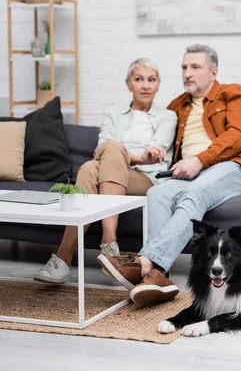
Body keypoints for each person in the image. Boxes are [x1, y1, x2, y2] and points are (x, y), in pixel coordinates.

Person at [98, 44, 241, 307]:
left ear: (213, 72)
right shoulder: (178, 105)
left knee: (194, 192)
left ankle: (147, 264)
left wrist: (199, 160)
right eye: (184, 67)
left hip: (228, 168)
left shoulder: (234, 94)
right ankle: (158, 279)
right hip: (189, 173)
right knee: (157, 193)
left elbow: (240, 135)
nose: (187, 73)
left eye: (195, 67)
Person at [33, 58, 177, 284]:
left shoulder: (168, 116)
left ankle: (65, 258)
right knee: (92, 167)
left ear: (158, 84)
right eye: (138, 79)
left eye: (151, 80)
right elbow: (102, 148)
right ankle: (108, 245)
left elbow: (156, 148)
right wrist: (137, 155)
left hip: (145, 178)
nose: (145, 85)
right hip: (113, 170)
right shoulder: (113, 112)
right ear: (128, 84)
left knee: (98, 162)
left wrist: (134, 156)